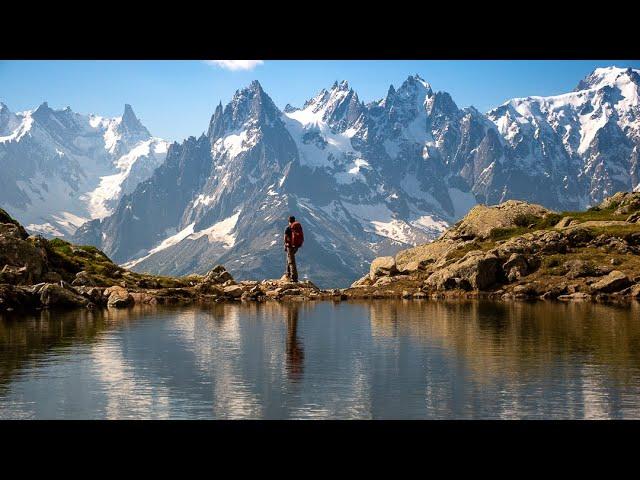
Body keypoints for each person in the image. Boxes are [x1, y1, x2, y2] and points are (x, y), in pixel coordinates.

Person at [284, 215, 304, 282]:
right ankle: (288, 274)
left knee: (291, 261)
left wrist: (285, 245)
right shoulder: (296, 227)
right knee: (289, 259)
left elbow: (285, 237)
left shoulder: (288, 228)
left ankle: (294, 278)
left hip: (290, 246)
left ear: (289, 221)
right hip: (296, 246)